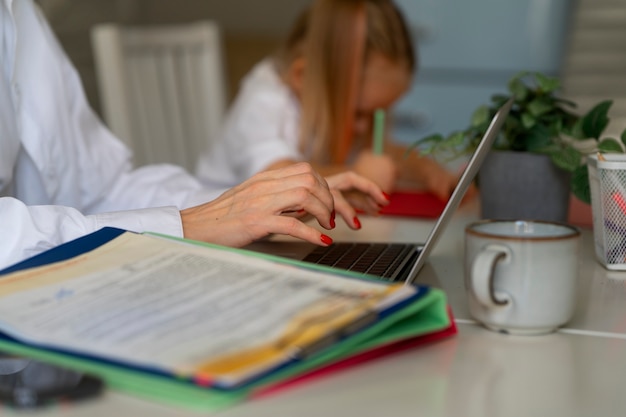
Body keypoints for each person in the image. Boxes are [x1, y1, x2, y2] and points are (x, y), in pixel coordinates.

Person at [0, 0, 390, 270]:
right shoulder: (266, 94)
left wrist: (245, 206)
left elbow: (102, 188)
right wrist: (189, 224)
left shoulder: (23, 14)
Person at [195, 0, 472, 202]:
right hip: (218, 236)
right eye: (360, 113)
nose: (364, 129)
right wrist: (356, 173)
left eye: (380, 114)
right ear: (303, 77)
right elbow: (278, 178)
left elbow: (382, 152)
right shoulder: (263, 101)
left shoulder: (330, 103)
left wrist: (426, 169)